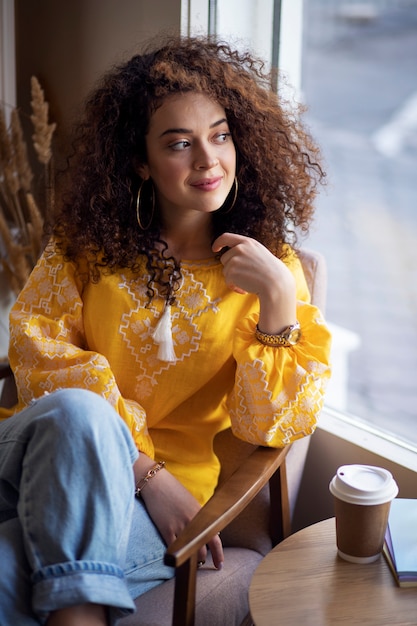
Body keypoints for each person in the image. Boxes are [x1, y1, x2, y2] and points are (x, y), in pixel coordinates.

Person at [0, 35, 332, 625]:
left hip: (154, 519)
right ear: (140, 160)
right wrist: (146, 475)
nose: (208, 161)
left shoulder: (266, 270)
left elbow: (270, 427)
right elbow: (37, 352)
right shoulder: (86, 248)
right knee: (81, 413)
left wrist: (279, 298)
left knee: (7, 571)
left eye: (220, 135)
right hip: (45, 463)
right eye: (180, 144)